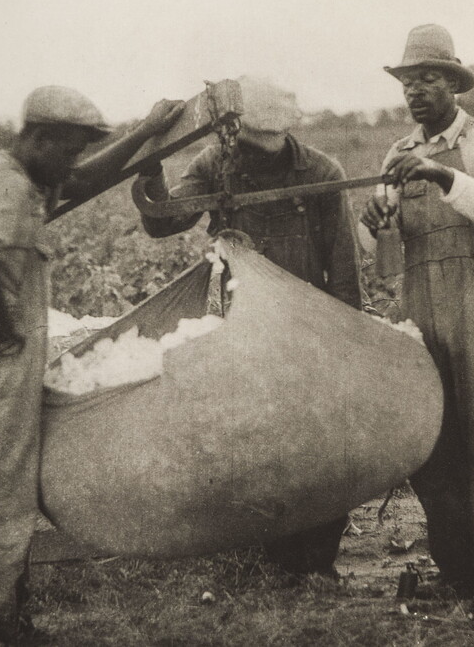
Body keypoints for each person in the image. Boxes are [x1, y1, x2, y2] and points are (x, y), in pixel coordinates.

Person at [0, 86, 184, 645]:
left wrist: (143, 133)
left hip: (2, 361)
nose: (71, 161)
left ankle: (5, 618)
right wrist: (8, 325)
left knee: (5, 486)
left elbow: (86, 180)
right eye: (67, 148)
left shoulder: (29, 178)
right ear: (38, 138)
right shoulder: (8, 182)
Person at [134, 75, 362, 576]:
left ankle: (319, 557)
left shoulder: (321, 171)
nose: (246, 155)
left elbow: (343, 267)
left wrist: (349, 340)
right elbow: (163, 220)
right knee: (258, 439)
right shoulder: (216, 164)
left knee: (319, 444)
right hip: (241, 326)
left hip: (307, 327)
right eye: (239, 142)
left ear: (281, 136)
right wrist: (150, 170)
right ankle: (277, 554)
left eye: (259, 147)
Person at [359, 25, 474, 611]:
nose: (415, 91)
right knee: (432, 445)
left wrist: (441, 173)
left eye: (427, 79)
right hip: (418, 305)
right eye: (407, 82)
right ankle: (461, 572)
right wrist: (374, 224)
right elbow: (383, 258)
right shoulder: (396, 153)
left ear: (451, 82)